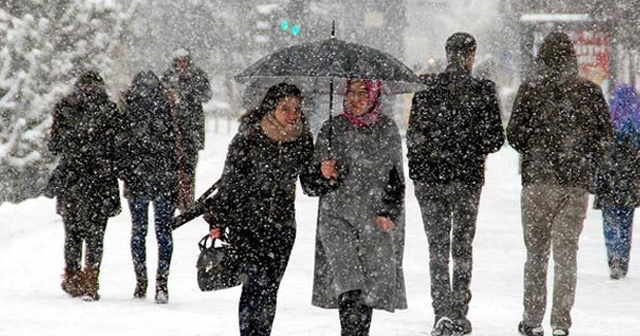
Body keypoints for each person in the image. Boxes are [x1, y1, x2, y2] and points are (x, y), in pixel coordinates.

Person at [507, 31, 613, 336]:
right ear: (572, 58)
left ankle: (532, 319)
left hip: (538, 182)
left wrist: (537, 145)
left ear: (542, 58)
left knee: (536, 254)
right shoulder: (589, 92)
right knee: (567, 254)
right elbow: (605, 138)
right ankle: (561, 323)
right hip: (575, 184)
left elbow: (513, 135)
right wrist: (582, 153)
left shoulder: (531, 90)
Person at [204, 83, 324, 336]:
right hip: (247, 224)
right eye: (286, 108)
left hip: (282, 228)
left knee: (270, 290)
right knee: (253, 286)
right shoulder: (249, 137)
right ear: (271, 108)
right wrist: (218, 219)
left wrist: (324, 173)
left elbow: (310, 186)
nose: (293, 114)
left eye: (297, 109)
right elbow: (230, 181)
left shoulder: (301, 139)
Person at [406, 32, 505, 336]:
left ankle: (442, 312)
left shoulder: (426, 87)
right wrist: (469, 144)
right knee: (462, 247)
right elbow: (495, 140)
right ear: (472, 55)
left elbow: (414, 136)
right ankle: (460, 312)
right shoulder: (483, 90)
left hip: (430, 180)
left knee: (436, 247)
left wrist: (420, 171)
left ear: (447, 54)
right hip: (466, 179)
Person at [312, 78, 407, 336]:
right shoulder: (332, 128)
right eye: (350, 92)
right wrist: (322, 171)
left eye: (363, 92)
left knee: (368, 287)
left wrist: (389, 212)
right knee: (348, 284)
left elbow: (396, 178)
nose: (355, 99)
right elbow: (311, 183)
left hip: (373, 218)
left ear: (375, 95)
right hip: (336, 218)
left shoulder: (387, 128)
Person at [47, 70, 121, 301]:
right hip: (99, 179)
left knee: (72, 233)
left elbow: (55, 145)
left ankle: (72, 276)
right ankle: (91, 278)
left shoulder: (65, 108)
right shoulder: (109, 111)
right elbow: (116, 146)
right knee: (96, 233)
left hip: (72, 178)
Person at [116, 70, 180, 303]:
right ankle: (162, 282)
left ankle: (140, 280)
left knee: (139, 231)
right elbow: (177, 145)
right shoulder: (167, 107)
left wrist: (125, 172)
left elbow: (121, 144)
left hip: (137, 178)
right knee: (164, 232)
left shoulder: (128, 108)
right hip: (163, 177)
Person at [594, 84, 640, 280]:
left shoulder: (608, 121)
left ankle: (613, 258)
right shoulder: (637, 125)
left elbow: (598, 151)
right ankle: (622, 259)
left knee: (610, 222)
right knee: (625, 223)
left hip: (609, 182)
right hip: (629, 184)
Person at [161, 48, 212, 212]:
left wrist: (189, 94)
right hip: (172, 129)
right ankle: (174, 199)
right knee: (172, 168)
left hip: (192, 128)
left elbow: (206, 95)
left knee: (189, 167)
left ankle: (187, 201)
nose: (182, 64)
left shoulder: (198, 75)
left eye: (184, 60)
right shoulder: (168, 76)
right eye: (179, 61)